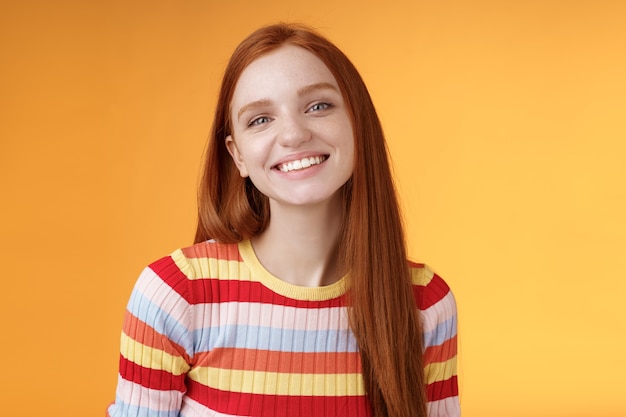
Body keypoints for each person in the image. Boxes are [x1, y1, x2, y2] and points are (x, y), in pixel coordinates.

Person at [107, 23, 459, 417]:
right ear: (237, 155)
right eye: (260, 119)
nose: (293, 135)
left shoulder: (426, 305)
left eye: (318, 106)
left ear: (357, 122)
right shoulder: (174, 295)